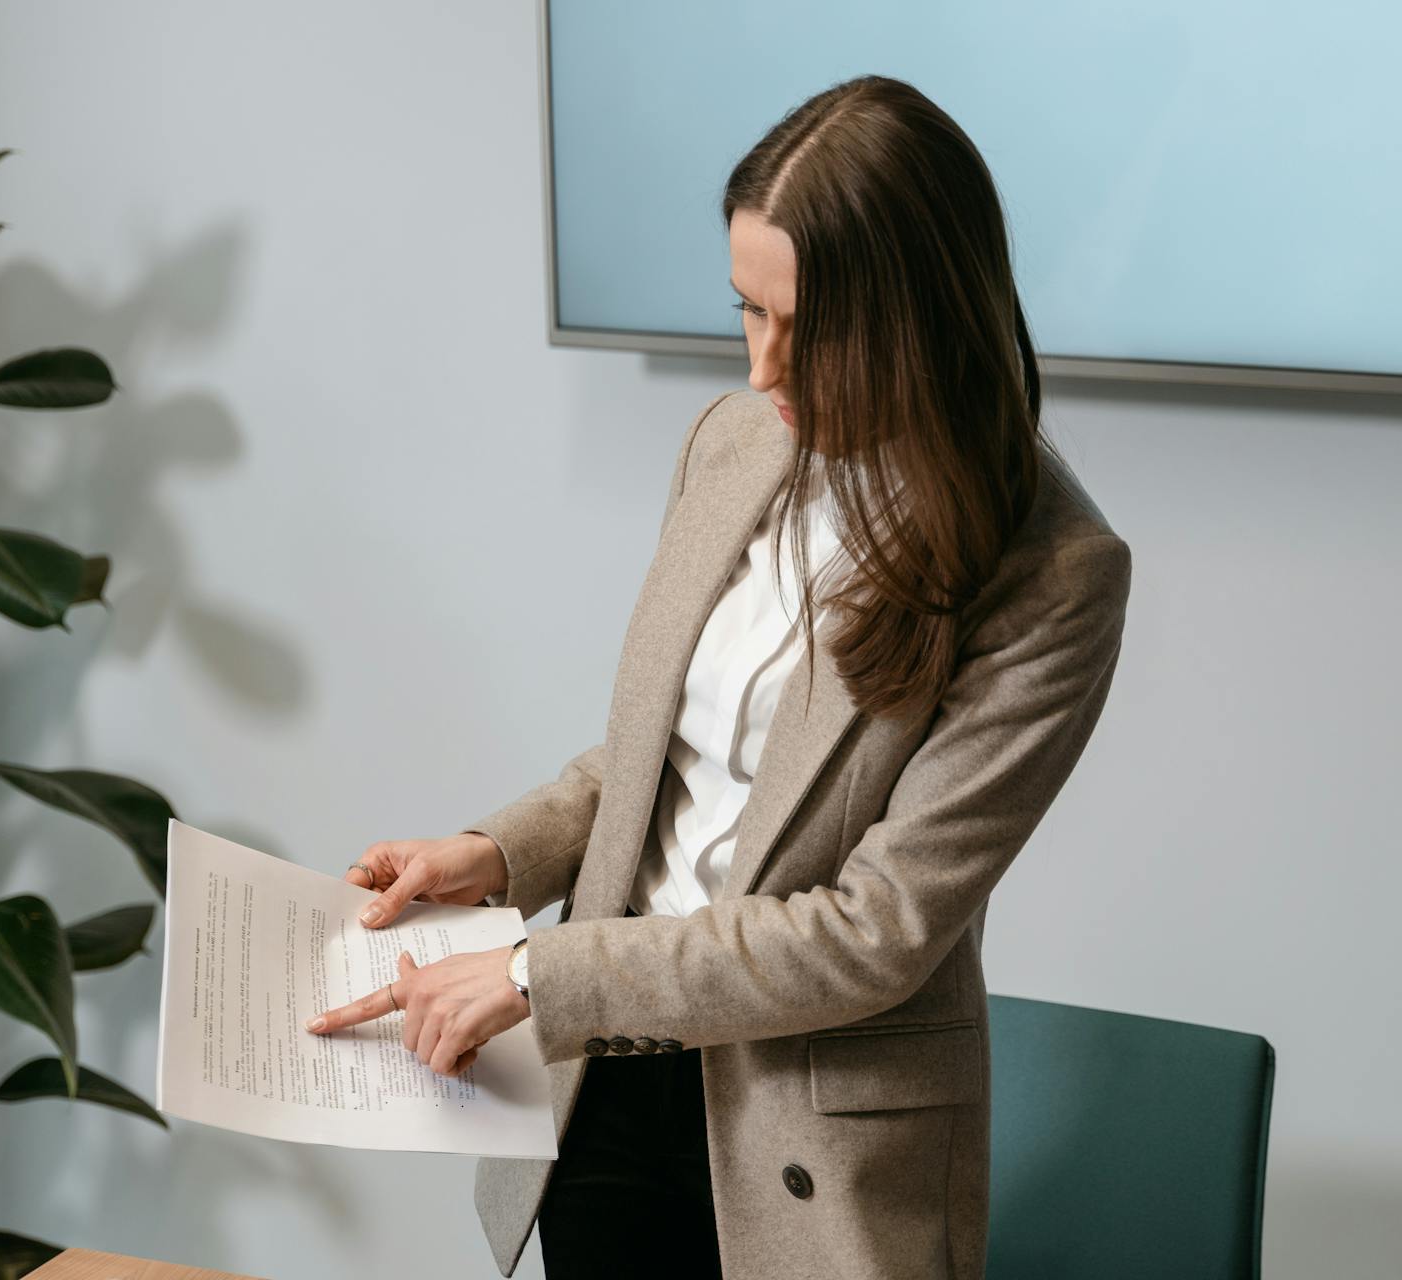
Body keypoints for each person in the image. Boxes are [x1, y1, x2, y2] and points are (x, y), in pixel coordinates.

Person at [306, 73, 1133, 1280]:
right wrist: (497, 855)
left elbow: (873, 934)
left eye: (810, 327)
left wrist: (540, 970)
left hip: (810, 1138)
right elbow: (656, 759)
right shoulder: (734, 443)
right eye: (749, 310)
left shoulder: (1054, 572)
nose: (763, 369)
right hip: (611, 1084)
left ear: (917, 319)